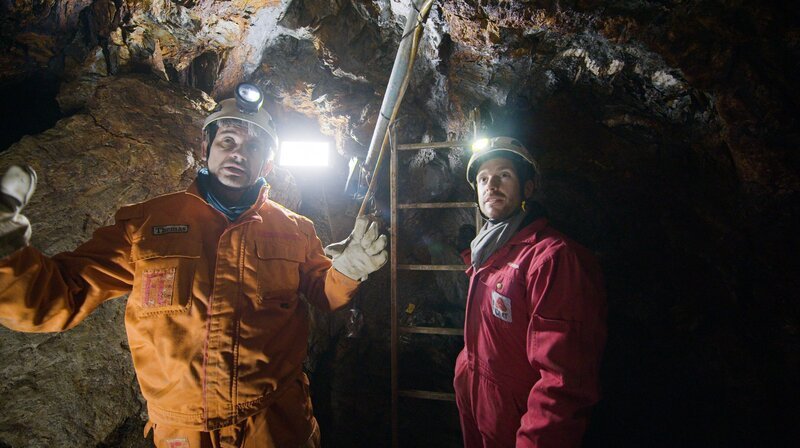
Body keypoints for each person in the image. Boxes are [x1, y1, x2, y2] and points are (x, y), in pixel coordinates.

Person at [0, 82, 387, 448]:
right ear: (207, 147)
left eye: (253, 148)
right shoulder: (145, 224)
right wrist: (7, 259)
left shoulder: (295, 229)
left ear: (267, 164)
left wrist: (349, 270)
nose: (238, 153)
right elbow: (52, 298)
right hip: (182, 431)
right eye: (228, 141)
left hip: (272, 424)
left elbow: (323, 293)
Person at [454, 136, 607, 447]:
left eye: (504, 175)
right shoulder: (487, 254)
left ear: (528, 187)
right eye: (483, 178)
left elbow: (562, 383)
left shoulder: (552, 258)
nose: (491, 185)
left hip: (522, 427)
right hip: (483, 413)